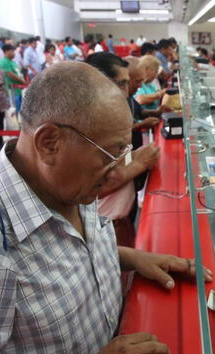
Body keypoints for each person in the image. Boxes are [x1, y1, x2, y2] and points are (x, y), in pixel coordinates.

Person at [0, 61, 214, 354]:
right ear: (49, 143)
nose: (119, 167)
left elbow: (60, 253)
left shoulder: (67, 180)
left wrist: (131, 258)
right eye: (111, 154)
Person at [85, 52, 160, 247]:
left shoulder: (111, 119)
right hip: (106, 226)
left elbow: (116, 163)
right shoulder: (88, 126)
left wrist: (135, 156)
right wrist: (139, 164)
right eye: (122, 84)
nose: (127, 92)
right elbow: (92, 188)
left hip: (121, 222)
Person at [0, 44, 27, 113]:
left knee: (20, 109)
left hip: (18, 89)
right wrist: (23, 81)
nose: (14, 53)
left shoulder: (13, 62)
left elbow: (17, 73)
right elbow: (9, 74)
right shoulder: (4, 61)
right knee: (14, 110)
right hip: (11, 90)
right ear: (6, 51)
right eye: (12, 51)